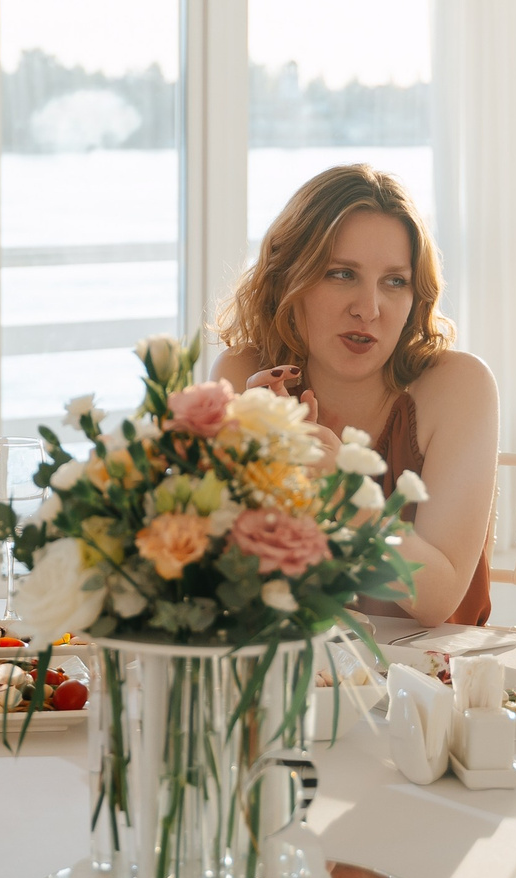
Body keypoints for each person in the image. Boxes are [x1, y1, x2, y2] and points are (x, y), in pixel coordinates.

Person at [211, 164, 498, 629]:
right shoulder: (244, 375)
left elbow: (437, 599)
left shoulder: (459, 385)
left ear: (416, 297)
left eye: (395, 281)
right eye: (342, 274)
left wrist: (343, 491)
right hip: (289, 681)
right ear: (289, 279)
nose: (368, 308)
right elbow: (222, 590)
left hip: (428, 686)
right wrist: (249, 475)